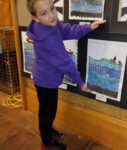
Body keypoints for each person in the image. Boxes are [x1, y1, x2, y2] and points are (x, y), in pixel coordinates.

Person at [26, 0, 106, 149]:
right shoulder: (47, 38)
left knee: (47, 110)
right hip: (45, 81)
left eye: (52, 9)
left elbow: (68, 30)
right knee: (47, 113)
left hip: (44, 77)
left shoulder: (49, 25)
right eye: (44, 13)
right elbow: (65, 62)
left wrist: (89, 26)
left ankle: (47, 131)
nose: (51, 15)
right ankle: (47, 142)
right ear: (35, 18)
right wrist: (80, 82)